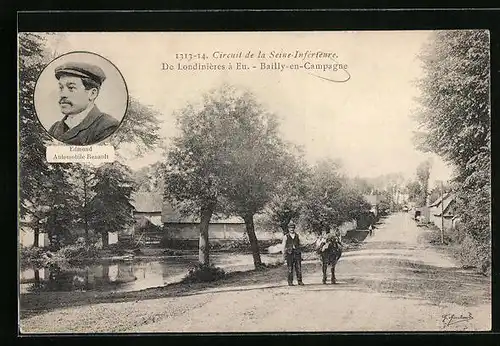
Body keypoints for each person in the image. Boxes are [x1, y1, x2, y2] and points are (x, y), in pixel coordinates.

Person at [48, 61, 120, 145]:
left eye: (71, 88)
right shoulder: (55, 128)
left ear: (92, 94)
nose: (62, 94)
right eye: (61, 88)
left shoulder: (107, 126)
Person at [282, 222, 303, 286]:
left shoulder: (297, 235)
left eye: (293, 228)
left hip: (297, 253)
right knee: (290, 268)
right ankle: (290, 282)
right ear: (288, 229)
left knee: (298, 268)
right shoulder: (286, 236)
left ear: (294, 228)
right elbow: (283, 246)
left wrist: (300, 252)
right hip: (289, 254)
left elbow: (299, 244)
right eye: (290, 228)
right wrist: (284, 255)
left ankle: (300, 281)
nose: (292, 229)